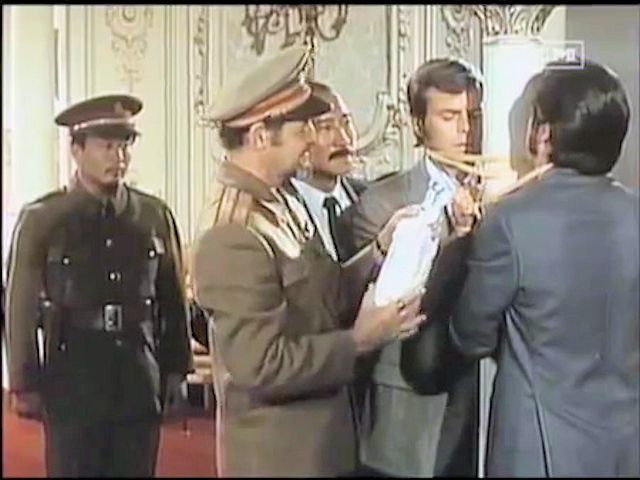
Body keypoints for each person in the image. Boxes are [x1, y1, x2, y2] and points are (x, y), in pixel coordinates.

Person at [192, 46, 426, 477]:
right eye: (302, 130)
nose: (312, 141)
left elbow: (323, 295)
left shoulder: (283, 198)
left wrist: (379, 249)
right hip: (281, 459)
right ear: (261, 136)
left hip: (322, 448)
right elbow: (261, 366)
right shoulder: (232, 233)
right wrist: (359, 341)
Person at [451, 59, 640, 477]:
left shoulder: (510, 219)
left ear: (542, 133)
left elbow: (470, 337)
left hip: (537, 451)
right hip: (625, 447)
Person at [5, 94, 193, 477]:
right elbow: (19, 306)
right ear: (76, 150)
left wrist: (176, 370)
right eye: (106, 146)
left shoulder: (152, 215)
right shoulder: (44, 218)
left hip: (138, 378)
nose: (118, 157)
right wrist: (25, 382)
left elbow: (172, 299)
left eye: (124, 146)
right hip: (73, 377)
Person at [342, 58, 483, 477]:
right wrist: (454, 235)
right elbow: (390, 302)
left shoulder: (506, 199)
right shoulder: (380, 203)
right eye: (449, 117)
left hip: (481, 400)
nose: (465, 130)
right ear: (419, 125)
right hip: (408, 404)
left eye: (473, 115)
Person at [289, 81, 365, 263]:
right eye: (326, 128)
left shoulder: (370, 199)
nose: (344, 139)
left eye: (346, 123)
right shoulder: (283, 211)